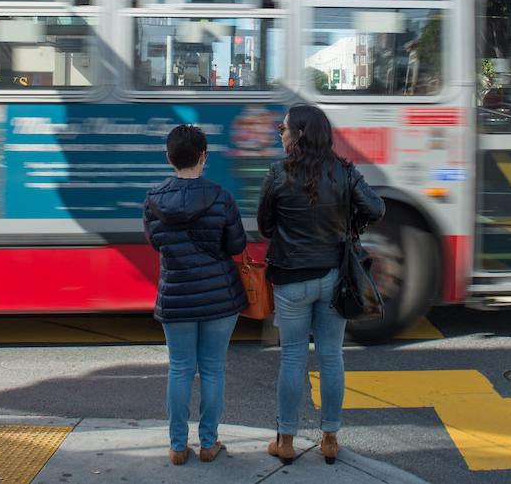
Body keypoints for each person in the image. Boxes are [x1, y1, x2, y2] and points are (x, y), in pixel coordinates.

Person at [256, 105, 384, 466]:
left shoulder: (277, 173)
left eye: (282, 129)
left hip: (291, 280)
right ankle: (330, 438)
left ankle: (285, 441)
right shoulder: (345, 171)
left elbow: (265, 226)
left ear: (297, 134)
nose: (278, 135)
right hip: (335, 277)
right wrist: (350, 227)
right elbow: (376, 208)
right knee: (331, 356)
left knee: (293, 357)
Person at [143, 125, 248, 465]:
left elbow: (157, 243)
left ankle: (177, 446)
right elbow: (236, 245)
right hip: (220, 297)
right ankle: (208, 443)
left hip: (176, 295)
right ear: (204, 155)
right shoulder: (221, 197)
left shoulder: (153, 199)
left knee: (180, 369)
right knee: (214, 369)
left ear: (169, 158)